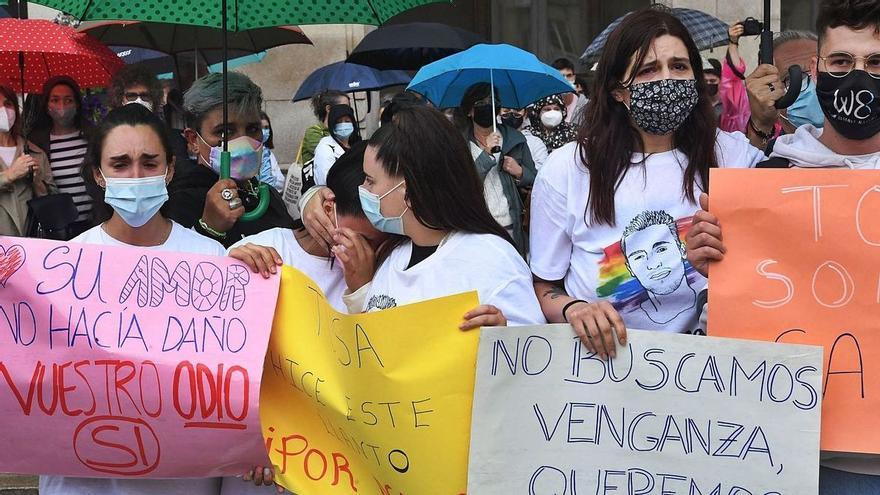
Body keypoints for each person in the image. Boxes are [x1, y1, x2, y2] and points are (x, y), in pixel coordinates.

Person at [39, 103, 281, 495]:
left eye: (149, 163)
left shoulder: (211, 261)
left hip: (184, 482)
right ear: (98, 175)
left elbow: (238, 379)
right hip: (87, 482)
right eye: (120, 164)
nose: (135, 176)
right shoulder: (61, 269)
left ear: (169, 170)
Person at [687, 2, 880, 488]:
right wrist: (719, 272)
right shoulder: (769, 179)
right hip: (786, 454)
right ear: (816, 72)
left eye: (876, 63)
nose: (859, 78)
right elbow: (727, 324)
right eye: (842, 63)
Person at [529, 6, 764, 360]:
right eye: (647, 70)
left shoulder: (732, 156)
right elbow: (543, 284)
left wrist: (767, 120)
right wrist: (573, 309)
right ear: (616, 91)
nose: (666, 80)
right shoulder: (567, 168)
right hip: (606, 373)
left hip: (708, 372)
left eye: (679, 67)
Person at [356, 105, 545, 327]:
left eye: (370, 181)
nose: (363, 189)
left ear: (410, 191)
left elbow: (531, 350)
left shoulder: (492, 261)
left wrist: (501, 335)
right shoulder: (395, 253)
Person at [229, 141, 388, 312]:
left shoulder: (382, 272)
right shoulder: (264, 251)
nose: (371, 253)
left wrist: (361, 292)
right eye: (363, 240)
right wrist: (229, 268)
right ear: (328, 209)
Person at [165, 72, 294, 248]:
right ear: (193, 140)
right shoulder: (178, 203)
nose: (243, 141)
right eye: (225, 132)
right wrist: (208, 228)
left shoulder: (267, 195)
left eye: (253, 128)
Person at [458, 83, 537, 253]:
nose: (488, 106)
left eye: (492, 101)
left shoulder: (515, 140)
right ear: (469, 111)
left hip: (512, 225)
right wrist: (486, 155)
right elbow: (461, 187)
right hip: (477, 231)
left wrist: (520, 172)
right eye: (481, 103)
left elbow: (536, 179)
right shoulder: (459, 145)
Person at [29, 76, 94, 237]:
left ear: (77, 104)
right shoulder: (36, 144)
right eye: (55, 100)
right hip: (59, 229)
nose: (61, 106)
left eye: (68, 100)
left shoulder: (92, 136)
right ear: (46, 105)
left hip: (94, 224)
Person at [0, 85, 55, 236]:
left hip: (30, 243)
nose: (3, 110)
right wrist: (9, 175)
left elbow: (51, 199)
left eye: (7, 104)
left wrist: (36, 180)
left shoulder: (35, 152)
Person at [313, 103, 360, 186]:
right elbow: (324, 181)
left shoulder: (357, 144)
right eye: (338, 122)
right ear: (332, 125)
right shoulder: (325, 147)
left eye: (347, 121)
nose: (343, 125)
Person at [300, 90, 350, 166]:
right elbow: (333, 155)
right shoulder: (314, 132)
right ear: (328, 109)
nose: (347, 111)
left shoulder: (347, 130)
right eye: (343, 107)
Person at [550, 57, 588, 124]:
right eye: (561, 77)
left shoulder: (587, 106)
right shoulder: (545, 105)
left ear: (574, 77)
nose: (565, 80)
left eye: (569, 75)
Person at [260, 111, 285, 192]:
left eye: (266, 127)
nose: (264, 131)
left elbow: (281, 181)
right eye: (260, 128)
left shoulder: (268, 153)